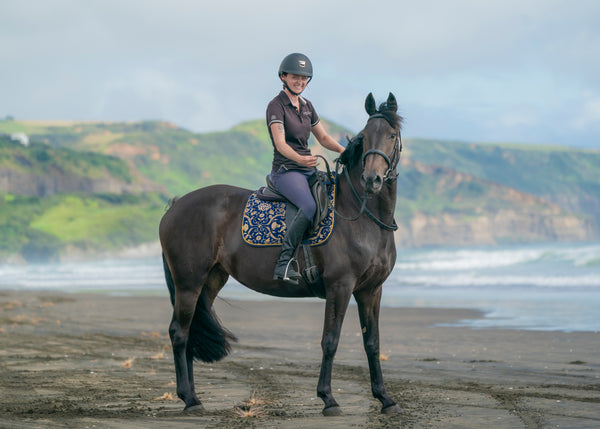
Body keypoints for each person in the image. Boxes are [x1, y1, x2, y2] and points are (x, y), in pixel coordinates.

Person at [266, 53, 345, 284]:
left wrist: (345, 152)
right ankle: (284, 263)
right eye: (295, 77)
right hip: (286, 171)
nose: (299, 81)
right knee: (309, 206)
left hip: (307, 168)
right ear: (283, 77)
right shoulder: (276, 106)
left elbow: (323, 138)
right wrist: (301, 161)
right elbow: (280, 145)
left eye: (304, 78)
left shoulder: (308, 106)